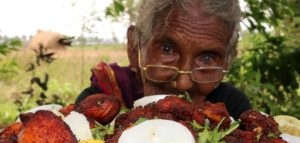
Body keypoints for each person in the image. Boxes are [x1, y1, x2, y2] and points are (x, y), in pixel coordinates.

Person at [76, 0, 251, 120]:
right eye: (167, 49)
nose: (183, 84)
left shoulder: (233, 111)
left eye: (206, 58)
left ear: (227, 62)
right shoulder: (97, 106)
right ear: (135, 46)